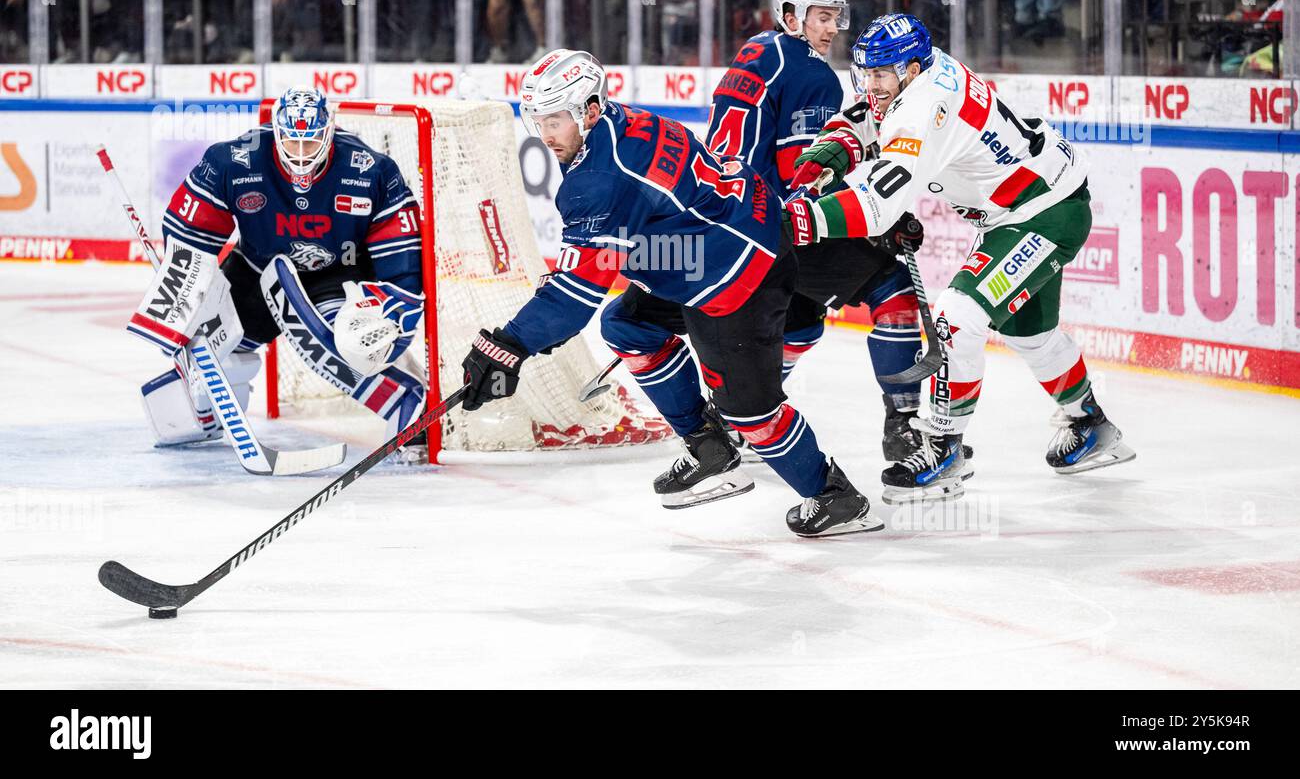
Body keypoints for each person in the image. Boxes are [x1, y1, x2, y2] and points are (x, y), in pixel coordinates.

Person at [457, 49, 884, 538]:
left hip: (738, 275)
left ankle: (836, 498)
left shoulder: (597, 177)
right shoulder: (623, 121)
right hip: (731, 235)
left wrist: (507, 346)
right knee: (627, 324)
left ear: (590, 110)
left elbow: (576, 297)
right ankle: (708, 446)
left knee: (751, 413)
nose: (545, 134)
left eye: (555, 120)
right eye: (537, 120)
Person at [786, 14, 1136, 502]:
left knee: (956, 318)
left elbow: (878, 201)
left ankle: (944, 448)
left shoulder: (927, 105)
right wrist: (836, 146)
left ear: (911, 71)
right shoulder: (916, 80)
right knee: (1030, 333)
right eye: (866, 73)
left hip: (1042, 216)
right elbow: (869, 115)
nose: (871, 85)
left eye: (881, 74)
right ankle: (1092, 426)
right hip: (1030, 206)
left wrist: (799, 222)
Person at [602, 0, 937, 470]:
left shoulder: (755, 51)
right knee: (891, 291)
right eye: (821, 17)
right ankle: (904, 428)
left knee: (800, 316)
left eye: (835, 17)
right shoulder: (810, 72)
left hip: (718, 222)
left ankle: (736, 420)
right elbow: (804, 174)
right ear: (790, 16)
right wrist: (875, 217)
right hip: (767, 227)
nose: (832, 29)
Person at [128, 87, 428, 452]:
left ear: (328, 131)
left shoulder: (370, 170)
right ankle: (209, 419)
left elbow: (402, 260)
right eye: (292, 141)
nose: (301, 153)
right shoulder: (234, 162)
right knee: (208, 351)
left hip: (338, 276)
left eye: (311, 141)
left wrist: (393, 318)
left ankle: (408, 396)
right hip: (256, 270)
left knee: (347, 345)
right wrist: (187, 291)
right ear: (278, 132)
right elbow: (188, 233)